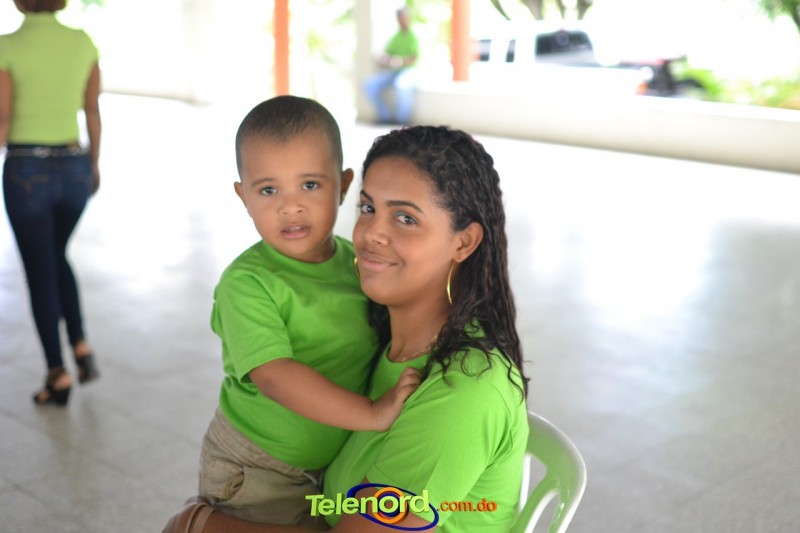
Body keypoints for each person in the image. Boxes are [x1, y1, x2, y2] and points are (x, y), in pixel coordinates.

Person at [164, 125, 530, 532]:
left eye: (405, 218)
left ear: (463, 243)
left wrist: (197, 524)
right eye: (368, 208)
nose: (372, 233)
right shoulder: (382, 341)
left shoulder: (463, 393)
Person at [197, 96, 421, 528]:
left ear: (344, 185)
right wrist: (371, 414)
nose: (290, 206)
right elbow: (276, 376)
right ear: (243, 197)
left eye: (310, 185)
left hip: (325, 463)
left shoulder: (358, 265)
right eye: (268, 190)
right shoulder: (247, 283)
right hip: (259, 467)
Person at [0, 0, 102, 406]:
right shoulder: (82, 41)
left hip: (27, 170)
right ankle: (80, 345)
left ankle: (57, 373)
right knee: (57, 255)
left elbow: (2, 119)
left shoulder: (7, 46)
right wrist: (93, 163)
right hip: (75, 166)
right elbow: (92, 109)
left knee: (40, 269)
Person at [362, 7, 419, 125]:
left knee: (401, 85)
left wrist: (400, 61)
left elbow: (414, 57)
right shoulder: (396, 37)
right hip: (393, 71)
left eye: (403, 17)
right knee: (369, 84)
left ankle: (401, 121)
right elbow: (388, 54)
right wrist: (383, 59)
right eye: (399, 18)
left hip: (409, 70)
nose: (401, 20)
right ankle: (384, 117)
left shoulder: (414, 36)